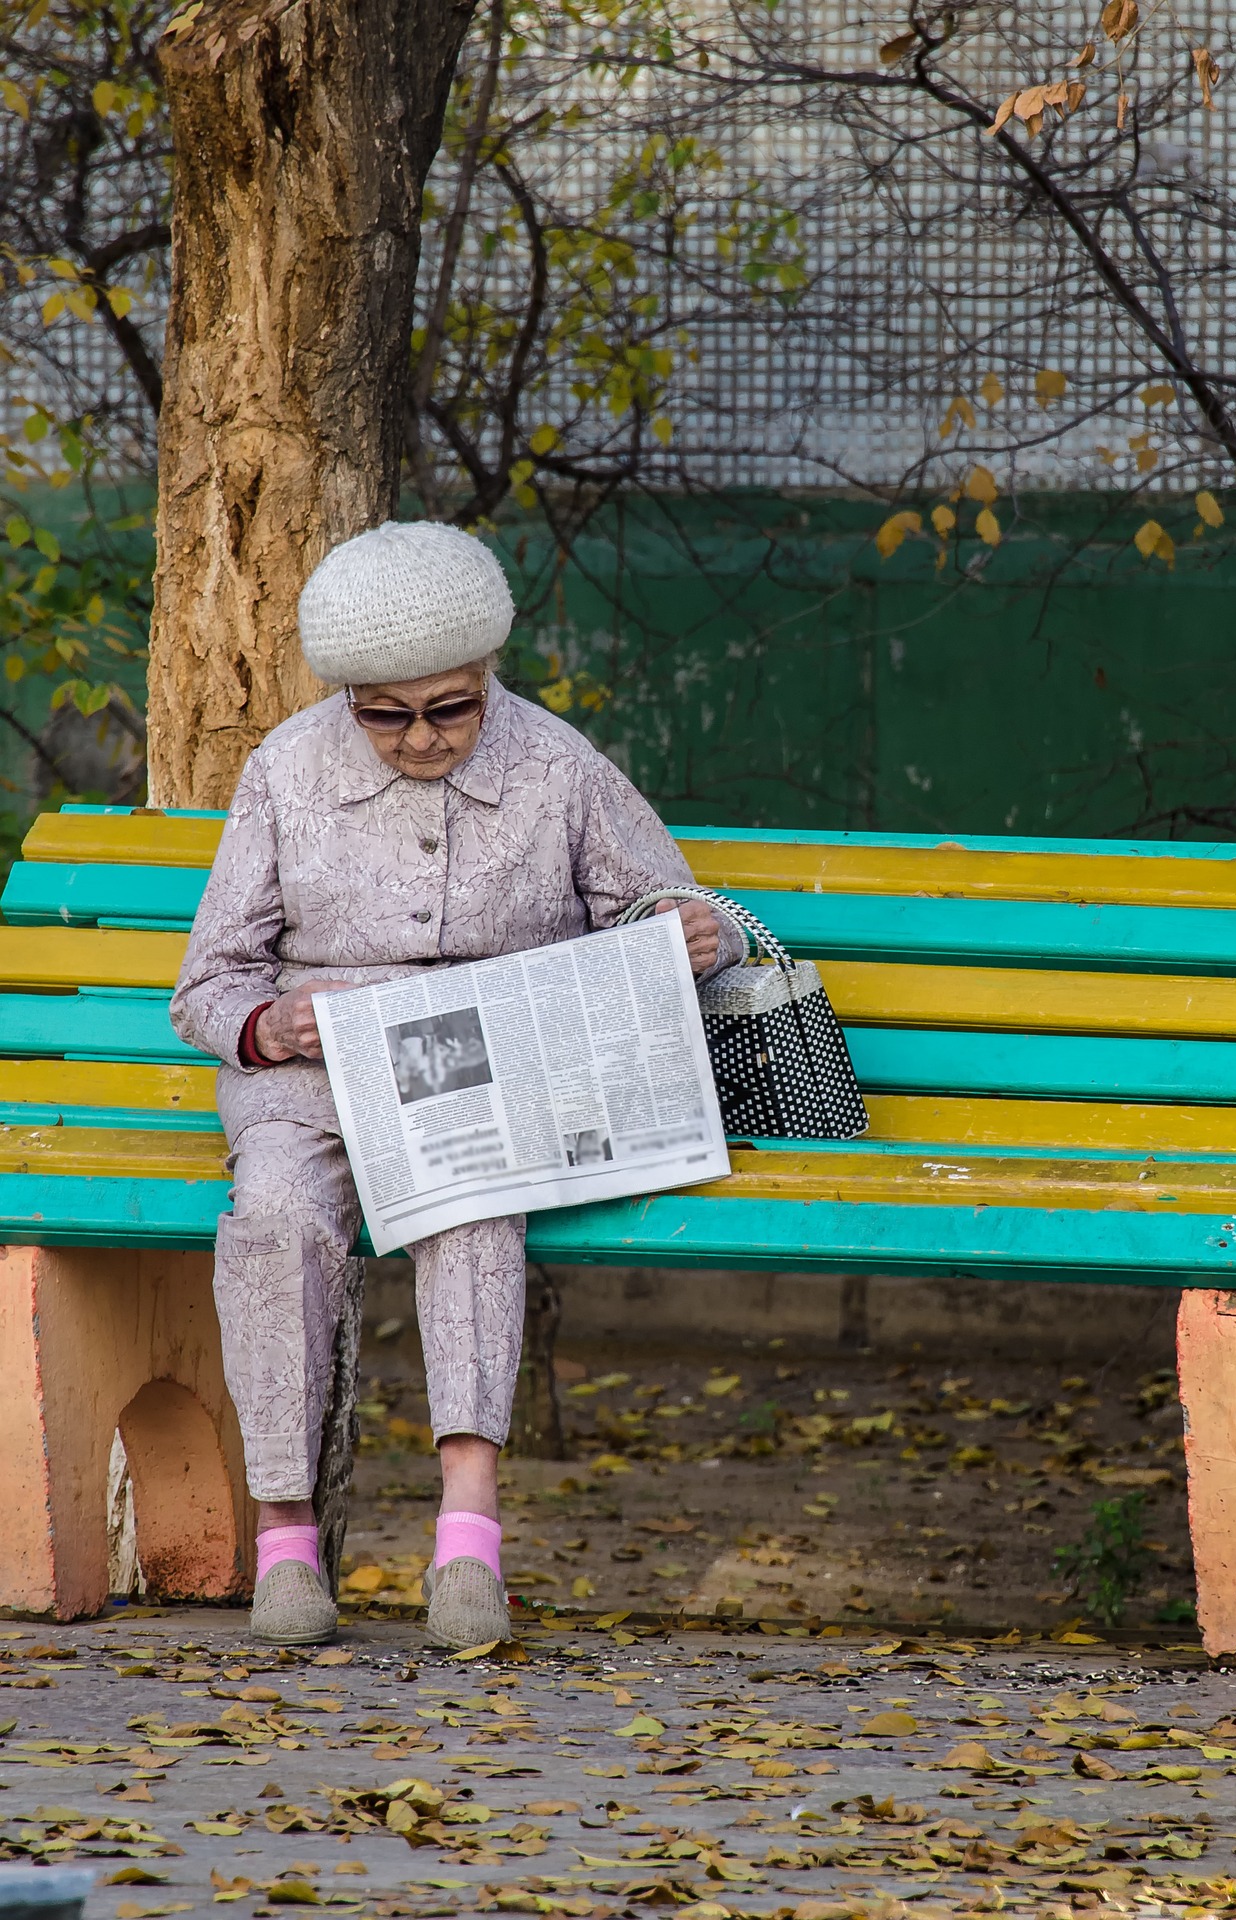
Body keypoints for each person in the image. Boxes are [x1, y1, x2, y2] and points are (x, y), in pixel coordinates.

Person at [170, 520, 735, 1649]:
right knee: (275, 1220)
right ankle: (285, 1540)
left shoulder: (556, 763)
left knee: (472, 1203)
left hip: (489, 1068)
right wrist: (272, 1023)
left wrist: (685, 933)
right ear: (346, 698)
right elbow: (207, 985)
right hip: (316, 1075)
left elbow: (658, 904)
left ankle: (467, 1539)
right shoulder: (285, 767)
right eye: (384, 715)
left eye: (450, 708)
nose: (421, 737)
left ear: (488, 673)